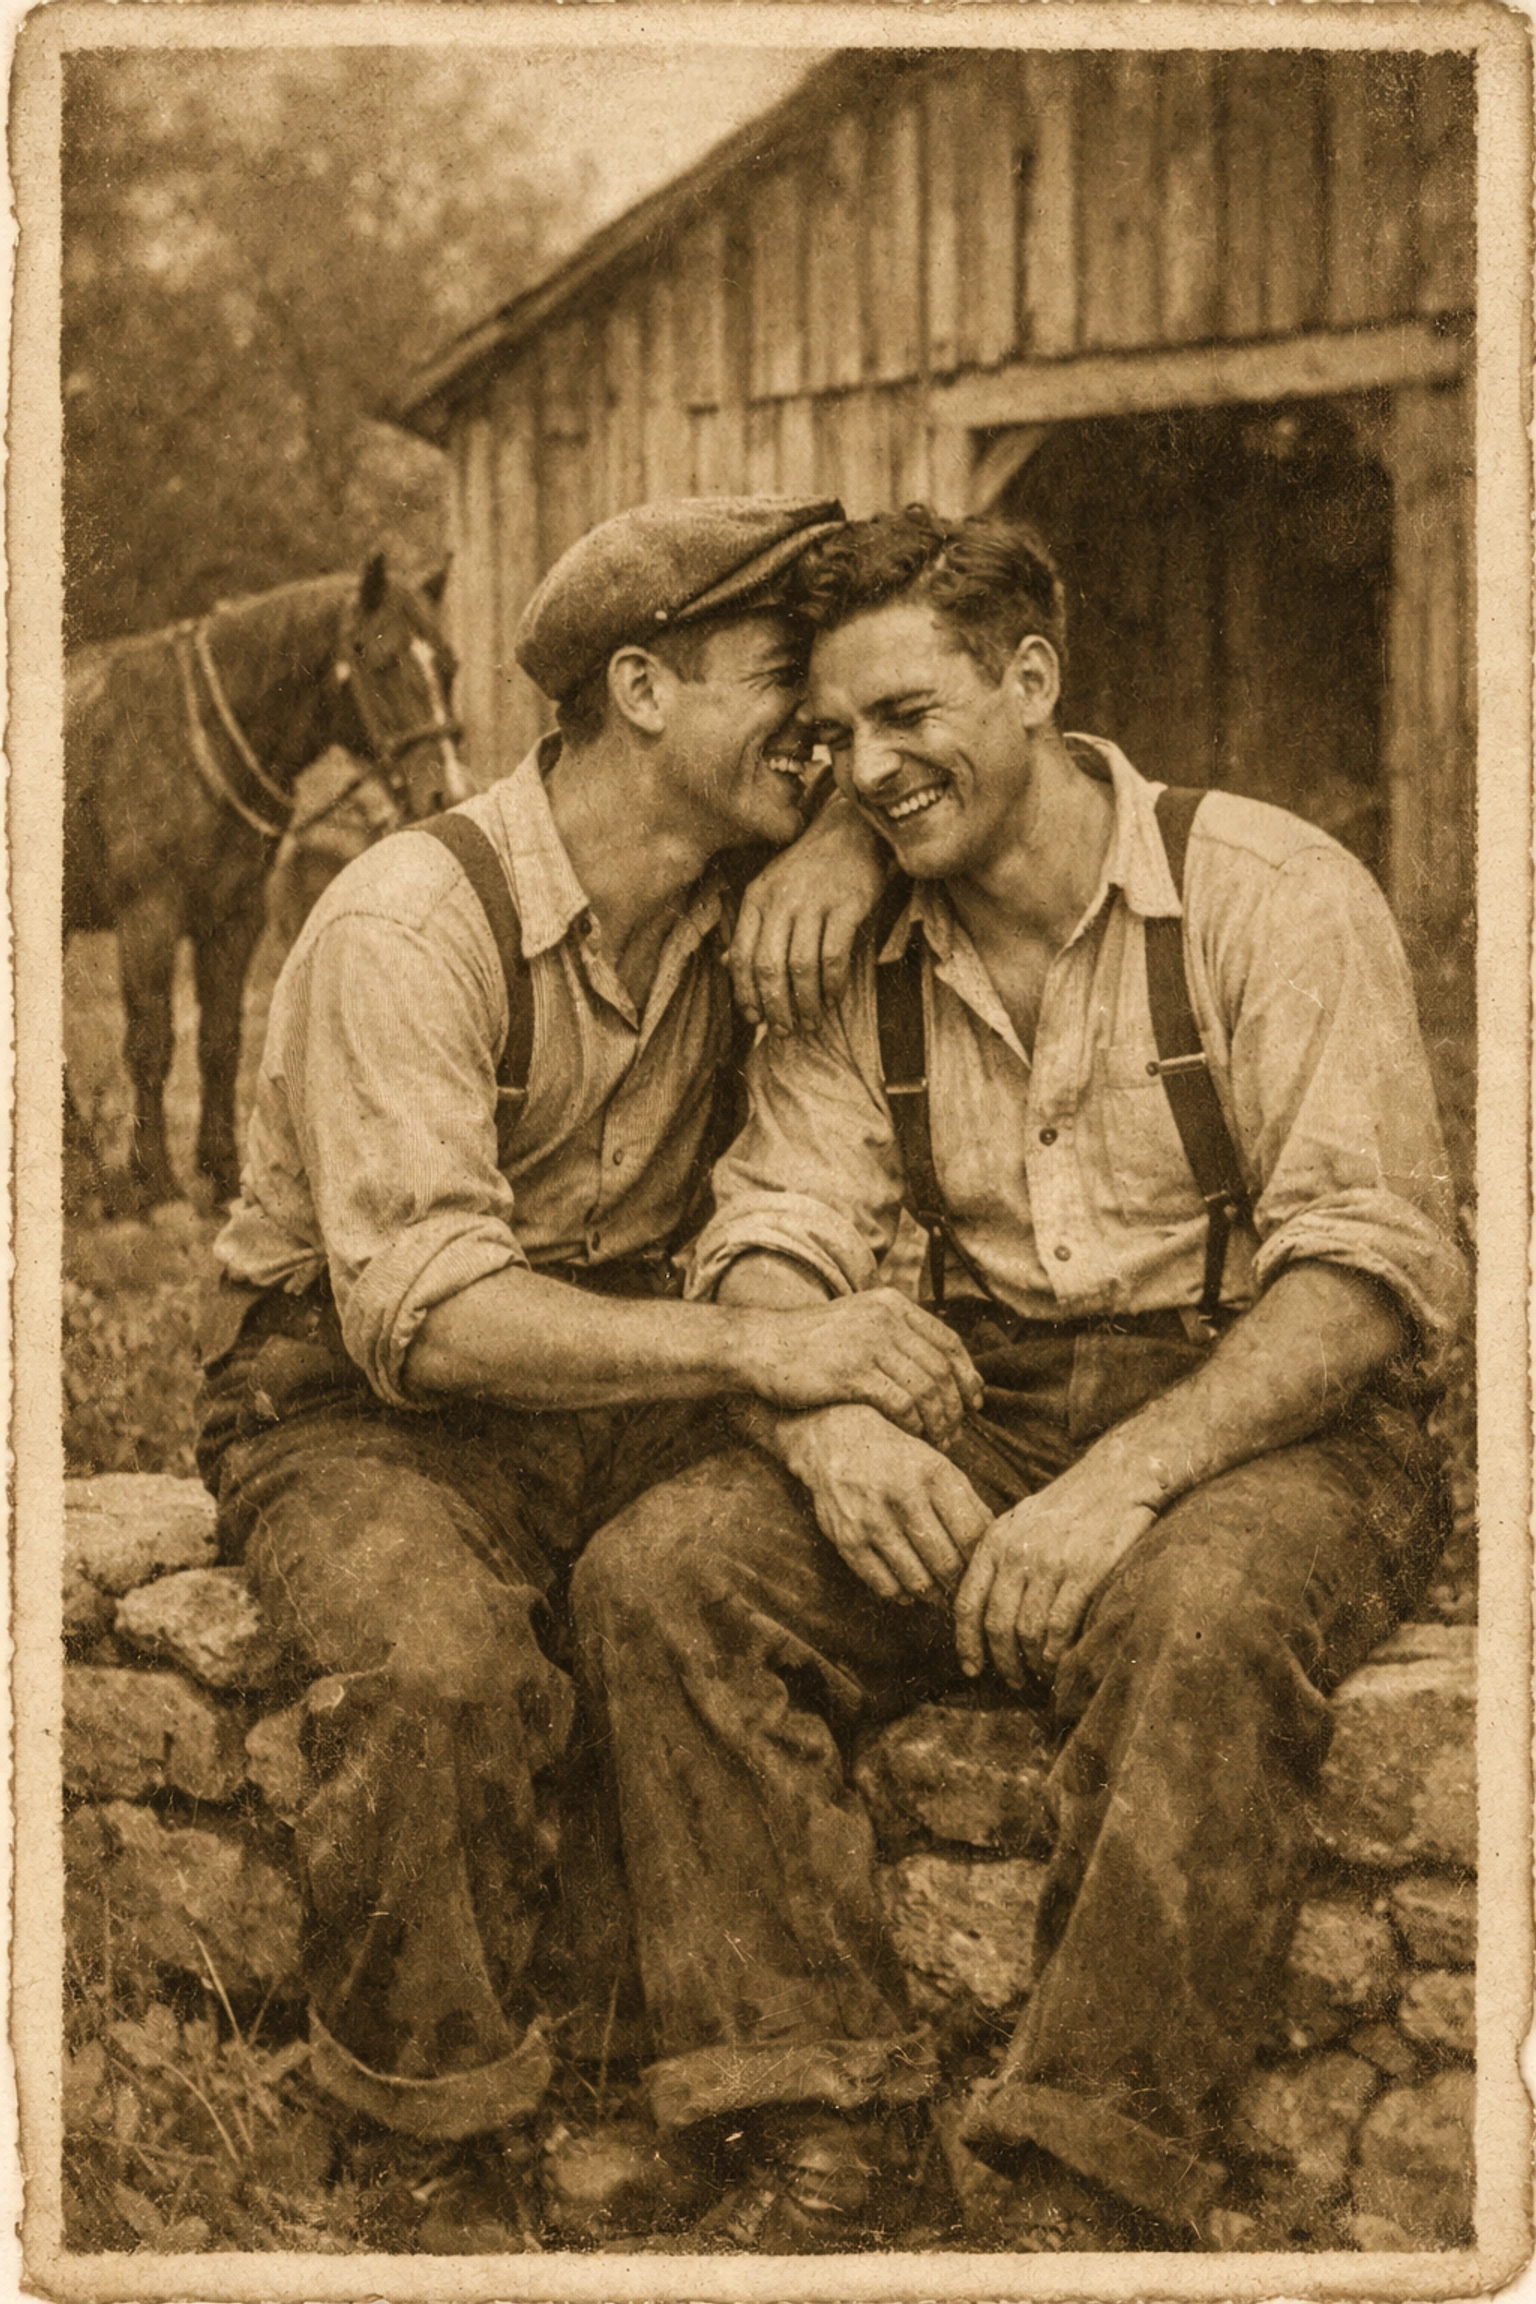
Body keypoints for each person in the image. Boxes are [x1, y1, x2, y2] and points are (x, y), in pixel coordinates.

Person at [572, 507, 1470, 2253]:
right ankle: (823, 2116)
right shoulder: (851, 949)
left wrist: (1126, 1483)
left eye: (917, 715)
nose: (879, 774)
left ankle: (1085, 2179)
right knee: (662, 1573)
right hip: (990, 1394)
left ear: (1034, 680)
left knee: (1195, 1612)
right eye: (839, 740)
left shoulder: (1267, 893)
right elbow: (773, 1228)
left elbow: (1367, 1274)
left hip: (1268, 1408)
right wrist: (827, 1421)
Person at [193, 496, 987, 2250]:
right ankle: (429, 2143)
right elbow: (429, 1316)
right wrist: (776, 1354)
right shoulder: (411, 920)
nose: (830, 730)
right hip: (360, 1396)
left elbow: (1012, 751)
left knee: (691, 1587)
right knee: (439, 1661)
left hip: (610, 1382)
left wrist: (853, 844)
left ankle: (775, 2110)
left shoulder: (743, 897)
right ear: (638, 689)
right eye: (787, 681)